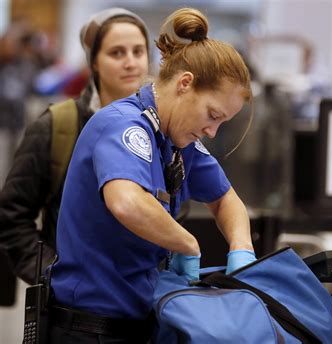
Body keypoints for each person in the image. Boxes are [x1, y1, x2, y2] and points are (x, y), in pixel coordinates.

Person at [48, 7, 256, 343]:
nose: (213, 131)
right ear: (185, 84)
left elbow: (225, 198)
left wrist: (241, 251)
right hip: (89, 328)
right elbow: (127, 203)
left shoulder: (177, 140)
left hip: (140, 321)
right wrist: (187, 244)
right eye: (212, 115)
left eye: (222, 123)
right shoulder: (122, 126)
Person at [0, 8, 151, 285]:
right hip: (71, 313)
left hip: (140, 303)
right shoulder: (58, 125)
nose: (131, 63)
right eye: (117, 53)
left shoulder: (160, 130)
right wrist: (52, 276)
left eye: (138, 52)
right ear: (94, 62)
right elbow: (12, 216)